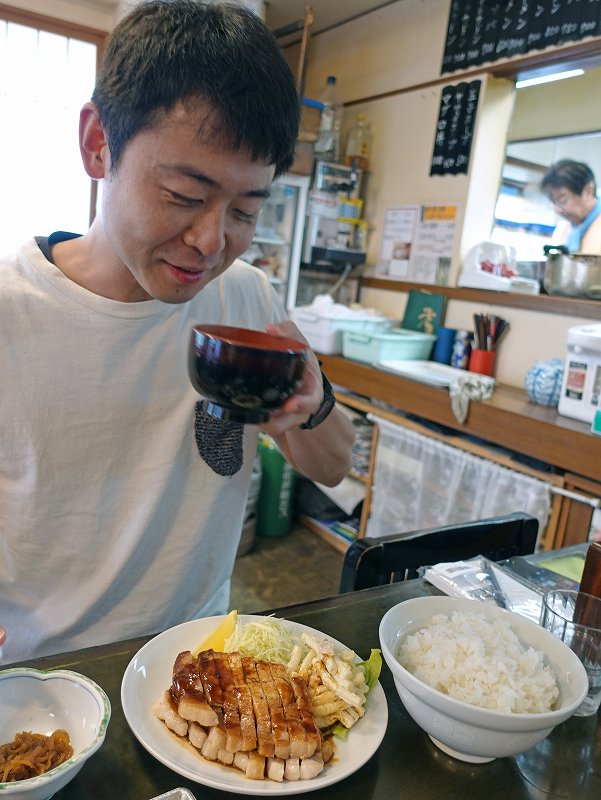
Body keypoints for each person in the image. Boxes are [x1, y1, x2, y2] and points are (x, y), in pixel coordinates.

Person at [0, 0, 355, 665]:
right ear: (98, 143)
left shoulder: (245, 297)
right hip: (39, 680)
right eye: (185, 196)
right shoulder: (11, 313)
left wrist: (308, 409)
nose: (211, 241)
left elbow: (335, 464)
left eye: (246, 209)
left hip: (196, 662)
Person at [541, 159, 601, 253]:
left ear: (587, 192)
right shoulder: (571, 227)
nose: (558, 209)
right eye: (553, 202)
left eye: (562, 200)